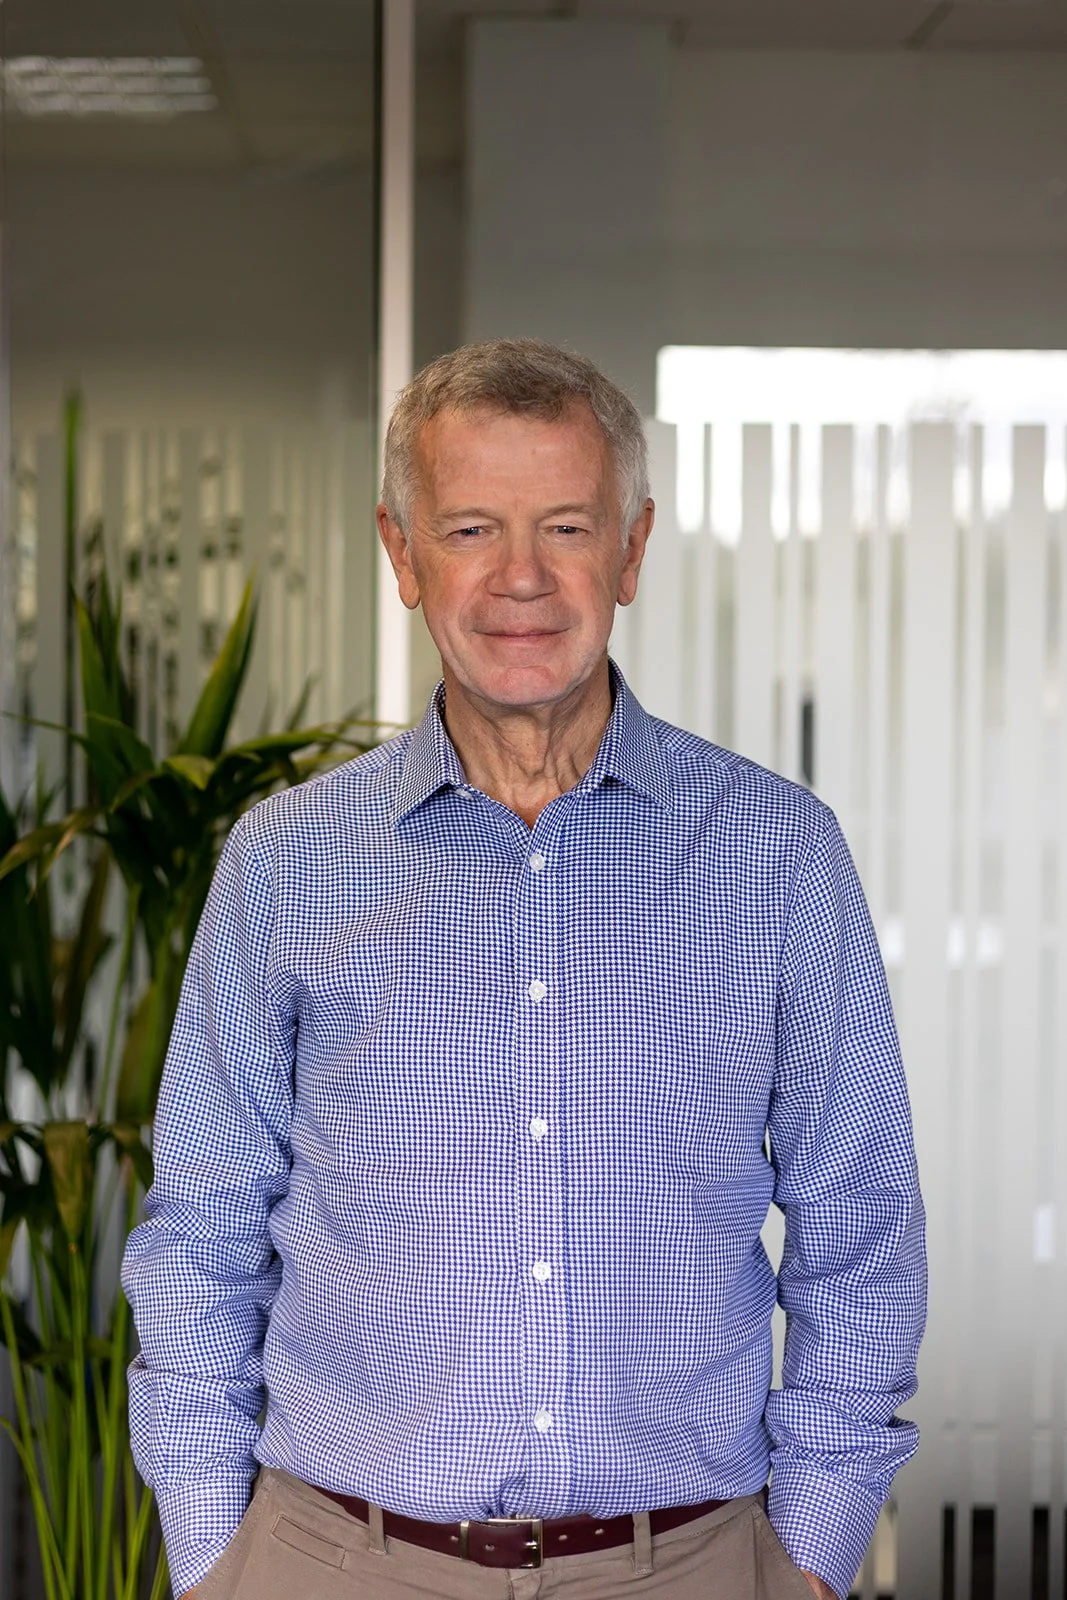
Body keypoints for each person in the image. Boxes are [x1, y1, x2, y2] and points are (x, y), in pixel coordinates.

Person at [122, 338, 926, 1600]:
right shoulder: (283, 862)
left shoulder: (776, 854)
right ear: (401, 554)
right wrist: (217, 1552)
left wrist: (808, 1558)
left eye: (564, 524)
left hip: (691, 1566)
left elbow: (861, 1228)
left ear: (632, 548)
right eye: (469, 529)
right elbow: (201, 1235)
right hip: (331, 1562)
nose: (520, 578)